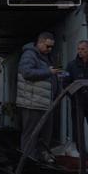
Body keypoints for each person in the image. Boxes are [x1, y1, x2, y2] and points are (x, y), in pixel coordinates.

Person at [16, 31, 61, 162]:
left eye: (52, 47)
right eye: (48, 46)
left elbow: (52, 75)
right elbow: (26, 72)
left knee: (46, 134)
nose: (50, 49)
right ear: (40, 42)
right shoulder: (29, 55)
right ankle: (27, 161)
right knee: (31, 134)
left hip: (46, 103)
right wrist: (48, 71)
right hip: (32, 103)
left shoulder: (47, 57)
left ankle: (41, 159)